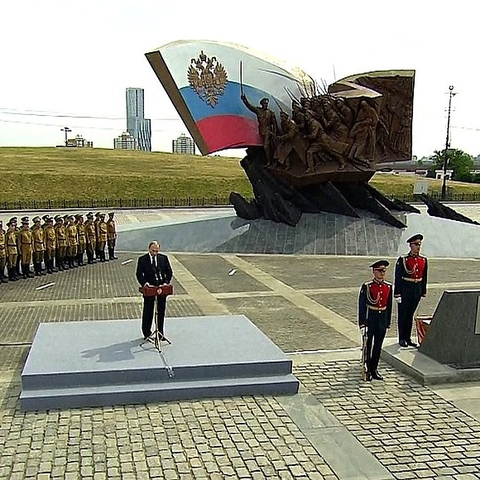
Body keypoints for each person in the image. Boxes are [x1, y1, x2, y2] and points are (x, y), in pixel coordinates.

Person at [358, 260, 393, 381]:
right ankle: (367, 368)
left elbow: (389, 306)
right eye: (380, 270)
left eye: (384, 270)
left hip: (381, 319)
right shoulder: (367, 287)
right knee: (368, 344)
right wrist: (362, 324)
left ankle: (374, 368)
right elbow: (362, 306)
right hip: (370, 318)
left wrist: (387, 322)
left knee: (378, 345)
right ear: (374, 271)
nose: (382, 273)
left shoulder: (388, 286)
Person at [394, 234, 428, 348]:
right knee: (403, 314)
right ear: (410, 245)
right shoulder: (403, 260)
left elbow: (424, 277)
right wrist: (397, 293)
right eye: (416, 245)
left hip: (416, 290)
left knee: (410, 315)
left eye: (419, 245)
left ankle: (408, 338)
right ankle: (402, 338)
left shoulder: (423, 260)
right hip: (405, 289)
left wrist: (423, 291)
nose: (418, 247)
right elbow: (398, 277)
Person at [136, 241, 173, 340]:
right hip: (150, 289)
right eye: (153, 251)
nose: (155, 253)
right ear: (149, 249)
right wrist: (145, 284)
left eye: (157, 251)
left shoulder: (163, 258)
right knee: (148, 311)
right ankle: (146, 332)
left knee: (161, 311)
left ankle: (160, 333)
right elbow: (139, 274)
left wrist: (166, 282)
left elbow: (169, 272)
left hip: (161, 289)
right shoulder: (142, 260)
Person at [240, 93, 278, 165]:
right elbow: (250, 106)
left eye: (267, 104)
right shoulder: (258, 111)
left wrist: (274, 133)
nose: (266, 105)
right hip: (262, 131)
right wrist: (244, 100)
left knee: (266, 146)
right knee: (265, 146)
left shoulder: (271, 113)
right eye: (264, 104)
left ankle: (270, 162)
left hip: (269, 132)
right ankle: (269, 160)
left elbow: (274, 124)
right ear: (262, 104)